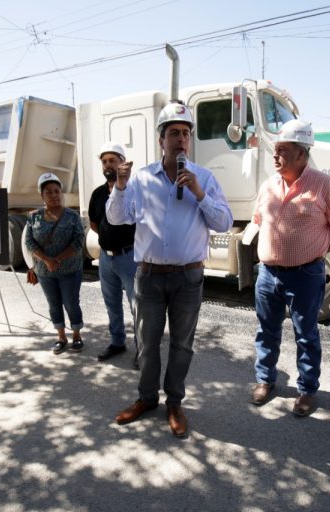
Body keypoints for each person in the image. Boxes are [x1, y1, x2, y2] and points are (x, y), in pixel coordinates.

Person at [108, 102, 233, 438]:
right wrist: (120, 187)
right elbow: (117, 218)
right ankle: (146, 399)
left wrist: (198, 193)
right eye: (174, 133)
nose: (181, 139)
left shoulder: (204, 178)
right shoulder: (142, 179)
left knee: (182, 345)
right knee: (147, 344)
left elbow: (224, 222)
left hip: (188, 277)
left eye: (186, 134)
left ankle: (174, 402)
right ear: (161, 140)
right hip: (149, 276)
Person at [250, 119, 330, 417]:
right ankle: (265, 380)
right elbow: (259, 222)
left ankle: (307, 390)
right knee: (266, 331)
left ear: (302, 154)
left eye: (283, 150)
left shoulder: (325, 186)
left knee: (306, 334)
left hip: (306, 275)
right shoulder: (268, 185)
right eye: (275, 149)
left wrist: (317, 251)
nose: (275, 155)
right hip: (268, 274)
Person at [24, 173, 85, 355]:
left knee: (71, 303)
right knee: (54, 304)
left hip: (70, 270)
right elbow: (29, 242)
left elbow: (78, 241)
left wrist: (57, 260)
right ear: (42, 196)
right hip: (44, 271)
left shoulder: (72, 216)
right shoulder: (33, 217)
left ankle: (76, 334)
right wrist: (47, 260)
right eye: (48, 192)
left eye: (57, 191)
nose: (54, 195)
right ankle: (61, 337)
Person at [89, 142, 138, 365]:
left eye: (112, 160)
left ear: (122, 163)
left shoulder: (133, 191)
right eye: (104, 161)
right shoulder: (97, 194)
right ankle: (118, 342)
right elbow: (94, 223)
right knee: (112, 304)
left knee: (137, 305)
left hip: (129, 257)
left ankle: (143, 349)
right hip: (106, 258)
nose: (108, 165)